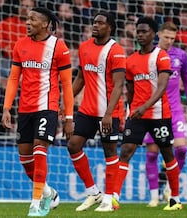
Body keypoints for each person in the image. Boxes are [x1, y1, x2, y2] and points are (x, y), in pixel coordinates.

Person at [1, 7, 74, 217]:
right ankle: (48, 192)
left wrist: (68, 117)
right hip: (24, 109)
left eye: (32, 19)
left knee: (39, 150)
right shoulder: (20, 45)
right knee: (25, 160)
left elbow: (67, 84)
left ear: (45, 23)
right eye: (27, 19)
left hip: (47, 107)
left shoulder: (59, 47)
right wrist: (7, 107)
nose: (27, 22)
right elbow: (14, 78)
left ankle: (36, 203)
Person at [114, 19, 182, 211]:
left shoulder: (162, 56)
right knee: (126, 150)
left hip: (160, 115)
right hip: (137, 115)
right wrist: (131, 110)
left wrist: (144, 107)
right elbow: (130, 89)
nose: (140, 35)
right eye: (138, 32)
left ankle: (175, 199)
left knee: (167, 153)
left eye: (144, 31)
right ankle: (113, 199)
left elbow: (162, 88)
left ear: (154, 34)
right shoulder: (131, 60)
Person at [66, 11, 126, 212]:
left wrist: (109, 114)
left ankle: (109, 198)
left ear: (110, 27)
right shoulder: (84, 47)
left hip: (108, 112)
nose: (95, 25)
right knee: (73, 145)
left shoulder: (116, 51)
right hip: (87, 110)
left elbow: (118, 86)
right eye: (94, 22)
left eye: (100, 23)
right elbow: (81, 77)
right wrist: (67, 100)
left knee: (110, 151)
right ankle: (93, 192)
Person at [143, 21, 187, 207]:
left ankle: (169, 186)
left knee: (182, 149)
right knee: (152, 153)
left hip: (174, 111)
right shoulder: (149, 55)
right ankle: (153, 196)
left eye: (172, 38)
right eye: (166, 37)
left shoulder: (180, 56)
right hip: (153, 111)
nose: (169, 41)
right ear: (158, 34)